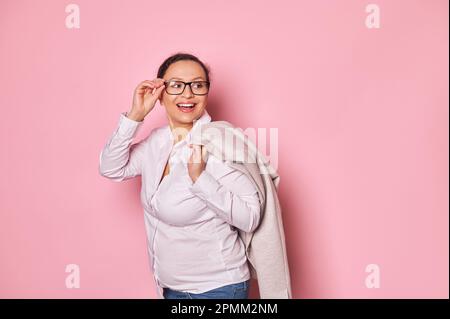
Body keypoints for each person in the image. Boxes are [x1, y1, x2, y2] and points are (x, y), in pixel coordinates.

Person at [99, 53, 261, 299]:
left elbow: (250, 217)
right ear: (160, 93)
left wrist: (199, 178)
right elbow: (112, 168)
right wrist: (135, 115)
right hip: (169, 287)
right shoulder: (157, 141)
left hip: (218, 289)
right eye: (176, 85)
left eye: (198, 85)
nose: (188, 94)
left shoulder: (218, 145)